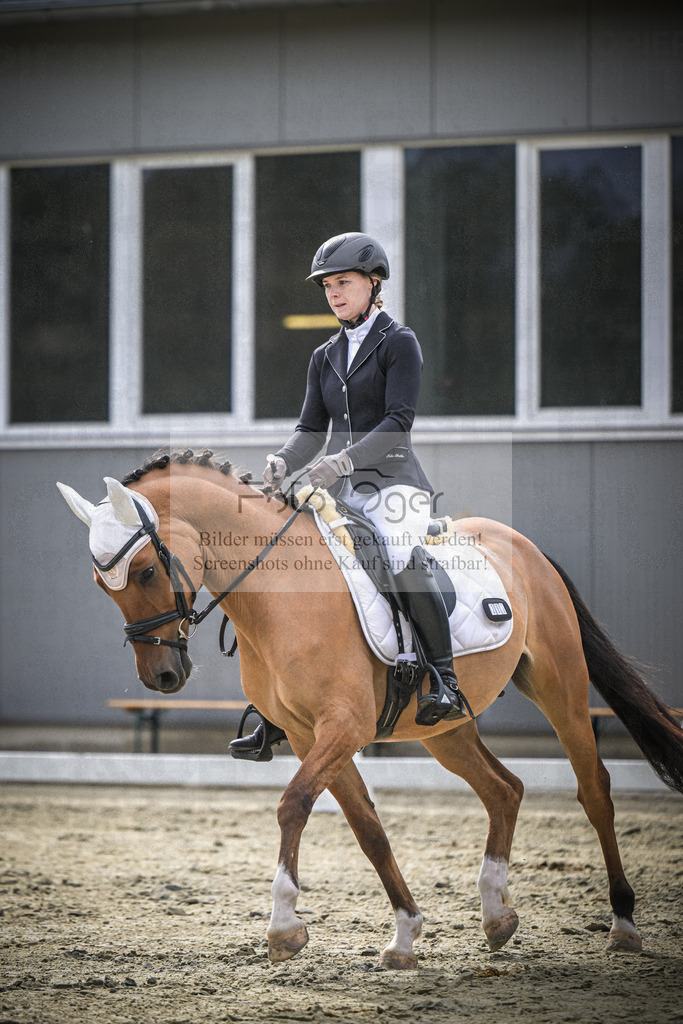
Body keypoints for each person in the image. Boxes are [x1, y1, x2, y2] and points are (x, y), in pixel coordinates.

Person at [229, 232, 467, 762]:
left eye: (344, 283)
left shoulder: (399, 342)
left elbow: (398, 422)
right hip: (340, 489)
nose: (334, 294)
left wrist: (343, 461)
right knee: (296, 561)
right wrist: (283, 460)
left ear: (372, 283)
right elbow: (311, 427)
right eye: (328, 286)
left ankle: (446, 681)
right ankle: (274, 710)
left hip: (396, 484)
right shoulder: (324, 355)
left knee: (400, 553)